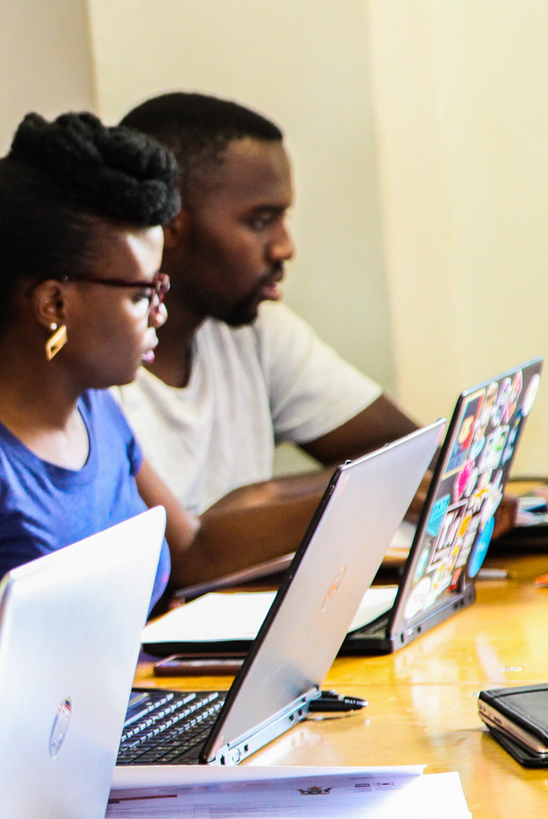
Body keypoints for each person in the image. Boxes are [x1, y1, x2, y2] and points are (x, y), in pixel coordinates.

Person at [0, 113, 318, 637]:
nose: (159, 314)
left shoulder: (94, 410)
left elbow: (191, 550)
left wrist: (363, 501)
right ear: (54, 303)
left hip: (134, 706)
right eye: (143, 294)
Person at [112, 92, 418, 517]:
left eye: (283, 219)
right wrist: (267, 502)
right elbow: (174, 555)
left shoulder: (254, 331)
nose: (284, 247)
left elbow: (412, 457)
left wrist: (263, 499)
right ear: (169, 226)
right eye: (260, 221)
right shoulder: (94, 373)